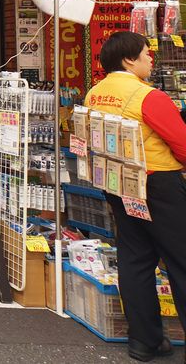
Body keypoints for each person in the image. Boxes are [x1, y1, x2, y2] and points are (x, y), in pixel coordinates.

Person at [84, 31, 186, 363]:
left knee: (135, 258)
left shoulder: (94, 94)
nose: (151, 58)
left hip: (118, 184)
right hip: (159, 185)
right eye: (146, 53)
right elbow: (183, 144)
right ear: (129, 59)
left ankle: (144, 340)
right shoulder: (149, 96)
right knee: (181, 261)